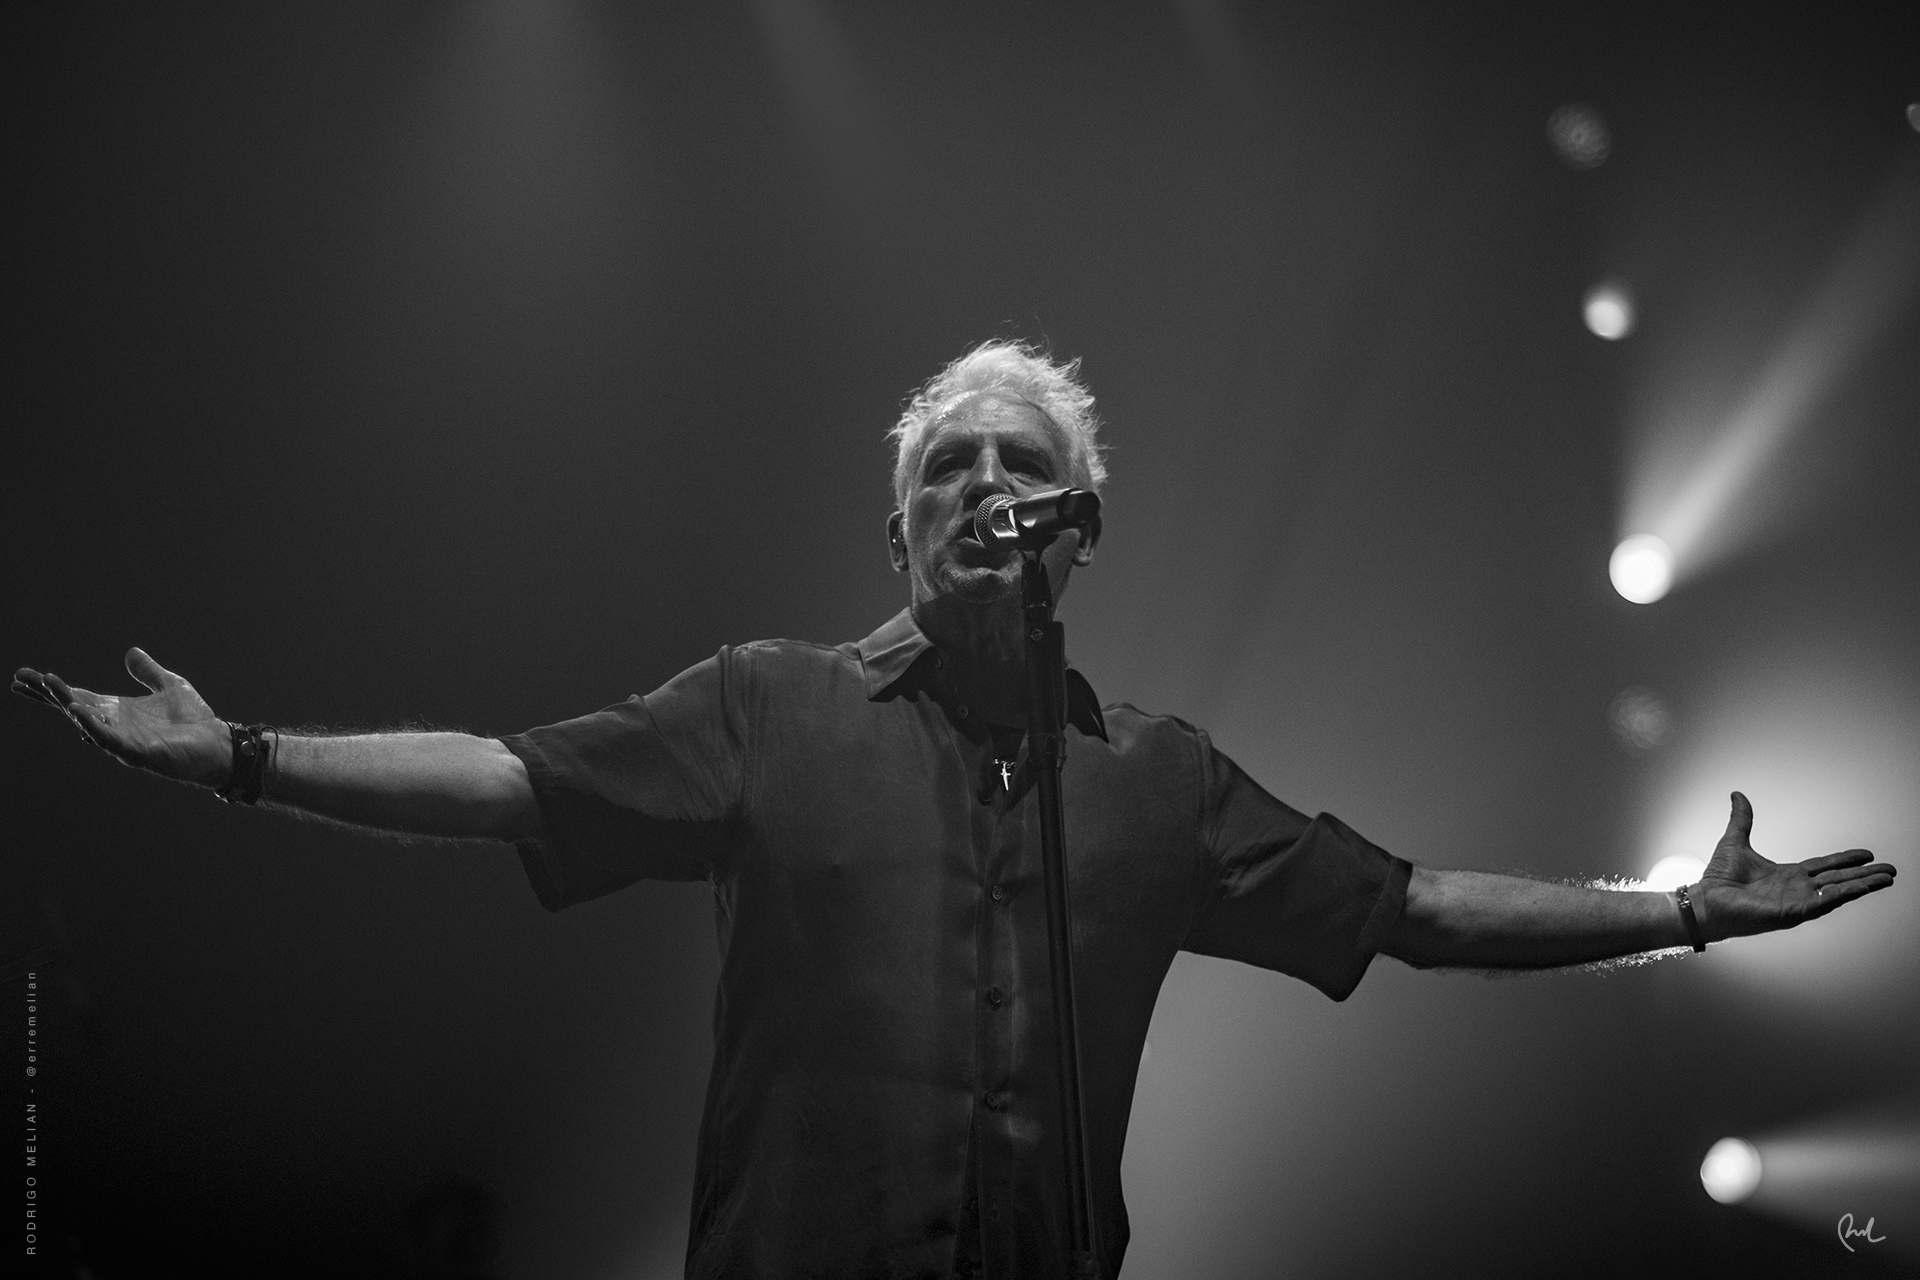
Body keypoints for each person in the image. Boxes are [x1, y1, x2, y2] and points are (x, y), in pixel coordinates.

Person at [12, 340, 1898, 1280]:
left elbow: (1401, 909)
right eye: (950, 470)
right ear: (900, 530)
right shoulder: (770, 703)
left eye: (1025, 467)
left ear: (1080, 529)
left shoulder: (1158, 778)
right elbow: (517, 780)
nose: (988, 488)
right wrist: (240, 755)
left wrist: (1677, 910)